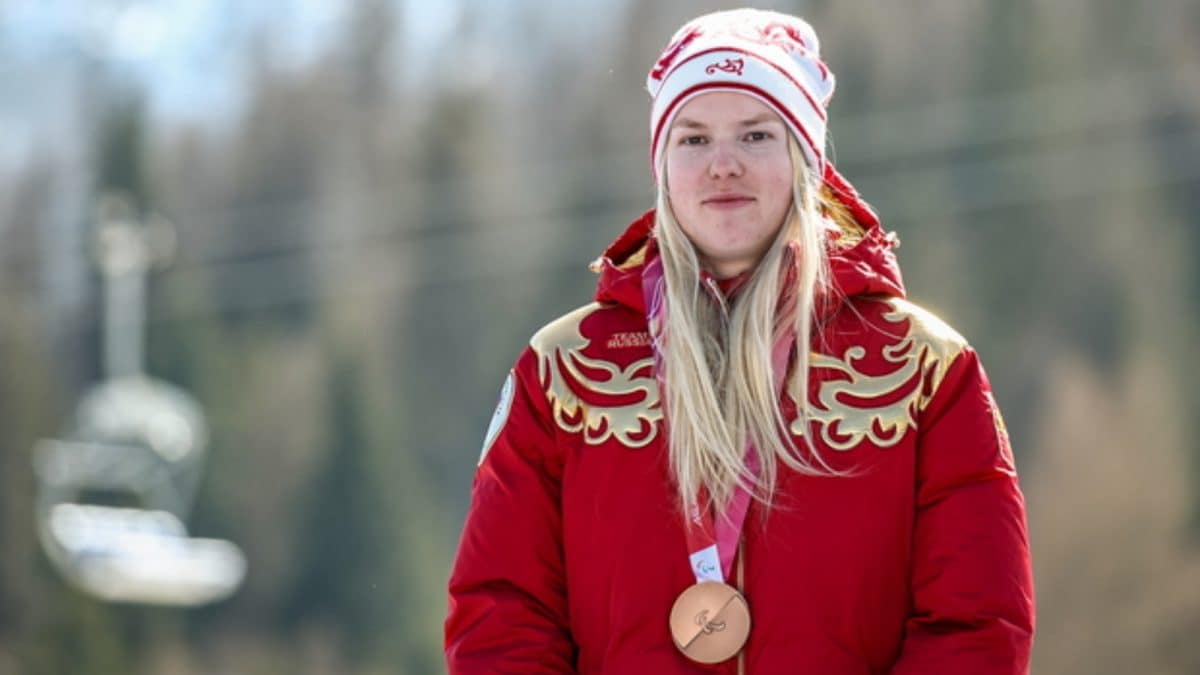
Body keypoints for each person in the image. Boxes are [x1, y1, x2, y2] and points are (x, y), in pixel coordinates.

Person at [445, 8, 1035, 674]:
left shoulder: (926, 368)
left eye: (755, 135)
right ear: (661, 166)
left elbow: (977, 625)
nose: (722, 165)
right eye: (692, 140)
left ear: (805, 158)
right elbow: (503, 618)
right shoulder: (563, 370)